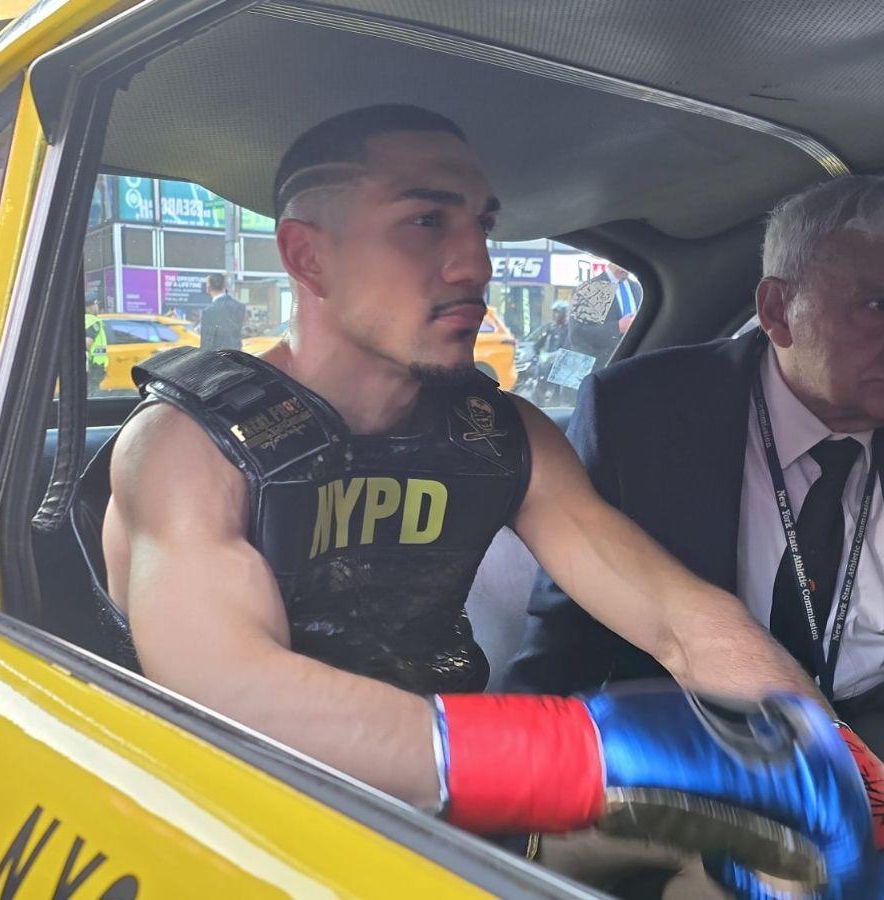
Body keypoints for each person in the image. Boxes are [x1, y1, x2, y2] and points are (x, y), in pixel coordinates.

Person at [77, 106, 880, 894]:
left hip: (450, 808)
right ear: (307, 256)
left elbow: (681, 618)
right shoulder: (190, 445)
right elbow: (229, 693)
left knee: (780, 856)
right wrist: (579, 755)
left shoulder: (501, 435)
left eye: (482, 225)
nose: (475, 263)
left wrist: (831, 762)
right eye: (426, 221)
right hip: (235, 831)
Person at [506, 175, 884, 729]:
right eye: (876, 304)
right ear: (778, 310)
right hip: (696, 737)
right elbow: (568, 632)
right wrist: (523, 757)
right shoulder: (640, 411)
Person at [565, 261, 643, 373]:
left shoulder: (638, 288)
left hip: (631, 366)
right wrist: (617, 328)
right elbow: (577, 334)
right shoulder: (593, 288)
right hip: (599, 370)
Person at [198, 273, 245, 350]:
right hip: (236, 354)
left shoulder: (208, 311)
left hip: (218, 355)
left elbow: (206, 343)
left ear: (208, 288)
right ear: (224, 286)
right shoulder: (239, 306)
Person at [84, 300, 108, 394]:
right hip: (94, 363)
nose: (97, 307)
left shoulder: (83, 319)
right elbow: (87, 343)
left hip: (89, 363)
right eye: (96, 304)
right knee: (92, 393)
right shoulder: (93, 321)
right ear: (90, 307)